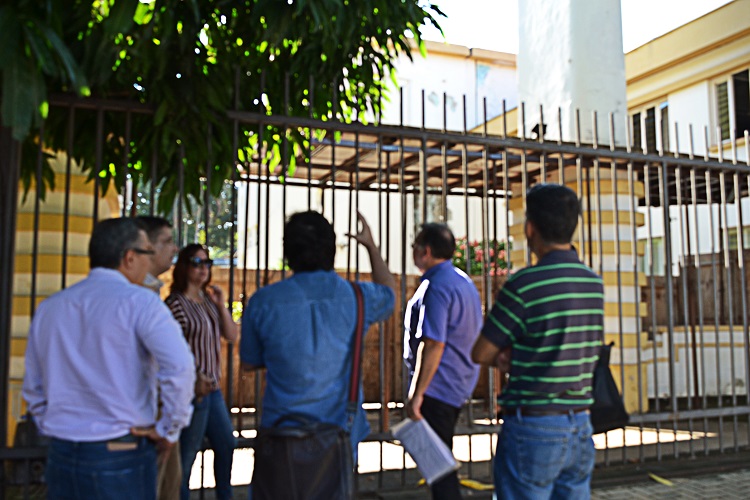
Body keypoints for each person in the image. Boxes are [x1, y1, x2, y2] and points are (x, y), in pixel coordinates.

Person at [22, 218, 195, 500]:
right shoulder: (141, 303)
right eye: (147, 253)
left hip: (62, 450)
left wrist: (55, 423)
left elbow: (33, 386)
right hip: (121, 449)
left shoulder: (51, 307)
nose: (149, 263)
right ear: (130, 257)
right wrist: (169, 428)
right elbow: (180, 367)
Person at [240, 211, 395, 491]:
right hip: (338, 436)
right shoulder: (360, 298)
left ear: (288, 251)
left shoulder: (263, 302)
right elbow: (391, 293)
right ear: (332, 250)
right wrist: (371, 247)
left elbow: (250, 363)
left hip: (280, 435)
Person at [471, 183, 604, 500]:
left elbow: (481, 351)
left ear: (530, 228)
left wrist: (507, 358)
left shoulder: (524, 284)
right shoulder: (592, 283)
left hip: (533, 427)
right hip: (581, 425)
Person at [403, 223, 483, 500]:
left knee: (439, 469)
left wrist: (417, 393)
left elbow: (434, 343)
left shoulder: (436, 286)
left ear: (425, 251)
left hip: (438, 386)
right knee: (441, 460)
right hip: (458, 382)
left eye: (414, 248)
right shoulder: (463, 282)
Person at [165, 244, 239, 500]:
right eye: (196, 262)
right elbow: (170, 349)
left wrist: (220, 305)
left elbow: (231, 335)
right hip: (191, 392)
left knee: (227, 444)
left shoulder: (208, 302)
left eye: (207, 263)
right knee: (187, 457)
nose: (203, 269)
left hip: (214, 391)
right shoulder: (175, 304)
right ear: (184, 266)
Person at [136, 216, 182, 500]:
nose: (174, 249)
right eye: (166, 241)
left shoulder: (151, 291)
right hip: (147, 415)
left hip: (160, 409)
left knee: (168, 486)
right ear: (145, 246)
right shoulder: (137, 295)